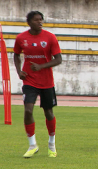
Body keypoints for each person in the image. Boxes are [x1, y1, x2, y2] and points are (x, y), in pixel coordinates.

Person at [13, 11, 62, 158]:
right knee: (28, 111)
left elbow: (58, 59)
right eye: (36, 20)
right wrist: (19, 71)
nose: (40, 22)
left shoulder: (50, 37)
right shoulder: (21, 38)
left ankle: (51, 144)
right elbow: (16, 54)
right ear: (29, 22)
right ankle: (32, 145)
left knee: (48, 113)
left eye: (41, 20)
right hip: (30, 80)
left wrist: (41, 66)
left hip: (47, 81)